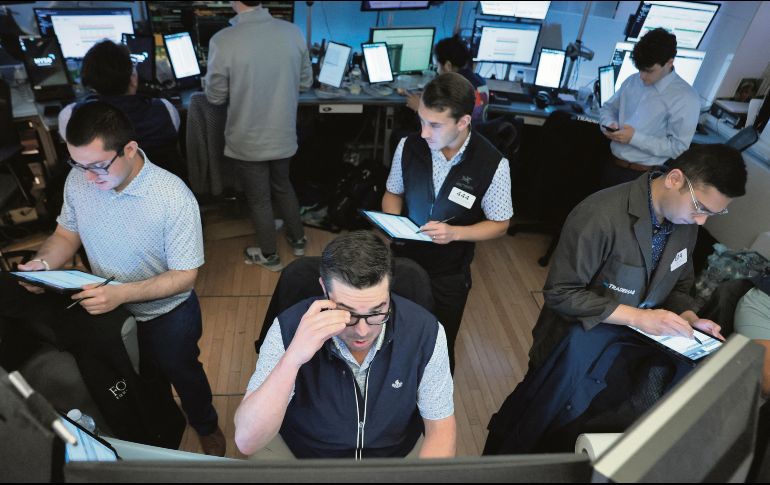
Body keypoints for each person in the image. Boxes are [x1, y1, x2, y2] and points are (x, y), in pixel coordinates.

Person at [9, 101, 225, 456]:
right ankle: (160, 430)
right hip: (109, 312)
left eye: (97, 166)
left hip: (167, 314)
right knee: (140, 382)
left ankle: (206, 424)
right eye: (78, 165)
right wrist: (42, 264)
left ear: (129, 149)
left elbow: (185, 275)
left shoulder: (173, 197)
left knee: (184, 374)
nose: (88, 178)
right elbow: (65, 235)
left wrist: (122, 293)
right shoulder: (80, 178)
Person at [234, 231, 455, 458]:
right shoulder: (287, 328)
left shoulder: (426, 331)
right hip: (305, 454)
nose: (362, 331)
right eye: (347, 313)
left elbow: (441, 428)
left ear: (389, 290)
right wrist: (292, 358)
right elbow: (247, 441)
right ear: (324, 288)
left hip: (394, 455)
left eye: (377, 312)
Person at [528, 143, 747, 373]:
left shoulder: (686, 225)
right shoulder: (599, 215)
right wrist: (637, 317)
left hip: (621, 354)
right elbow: (561, 293)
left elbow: (677, 289)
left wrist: (689, 319)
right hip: (570, 347)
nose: (701, 221)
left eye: (712, 213)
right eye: (700, 207)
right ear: (674, 179)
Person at [382, 72, 513, 372]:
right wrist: (392, 224)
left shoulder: (492, 164)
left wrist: (455, 233)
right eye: (421, 121)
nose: (424, 133)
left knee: (438, 345)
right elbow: (393, 192)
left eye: (435, 125)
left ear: (463, 122)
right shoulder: (409, 145)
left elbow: (500, 223)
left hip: (448, 273)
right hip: (403, 261)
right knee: (394, 337)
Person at [205, 1, 311, 272]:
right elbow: (305, 82)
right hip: (283, 134)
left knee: (260, 199)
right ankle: (298, 240)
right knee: (283, 185)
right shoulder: (293, 32)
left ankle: (269, 255)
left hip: (248, 139)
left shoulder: (223, 40)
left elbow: (215, 96)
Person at [58, 40, 182, 176]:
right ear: (133, 79)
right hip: (162, 187)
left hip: (104, 192)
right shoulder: (166, 110)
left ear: (90, 83)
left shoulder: (70, 116)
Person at [599, 28, 700, 187]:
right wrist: (609, 123)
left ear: (669, 62)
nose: (642, 76)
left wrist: (634, 138)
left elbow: (678, 147)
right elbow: (608, 108)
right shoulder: (633, 81)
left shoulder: (686, 98)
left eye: (649, 71)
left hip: (643, 176)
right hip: (611, 165)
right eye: (640, 69)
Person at [402, 36, 489, 123]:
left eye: (437, 66)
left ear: (448, 66)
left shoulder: (454, 89)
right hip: (476, 133)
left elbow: (438, 128)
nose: (437, 71)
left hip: (455, 136)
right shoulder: (479, 81)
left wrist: (419, 108)